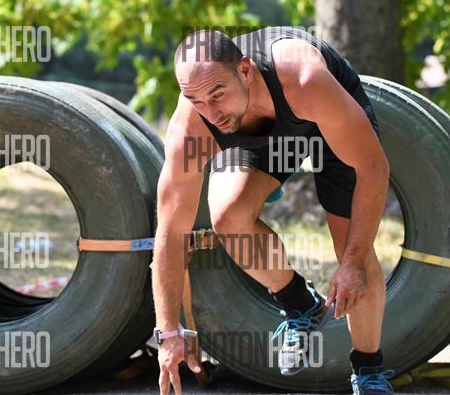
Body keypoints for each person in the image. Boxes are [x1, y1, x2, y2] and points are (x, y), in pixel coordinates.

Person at [152, 26, 395, 394]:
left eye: (217, 94)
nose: (211, 112)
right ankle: (300, 304)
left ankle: (368, 371)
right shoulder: (194, 126)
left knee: (351, 249)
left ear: (245, 70)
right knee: (228, 216)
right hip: (256, 132)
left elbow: (373, 168)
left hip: (323, 118)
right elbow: (170, 231)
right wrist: (169, 333)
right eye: (196, 100)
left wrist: (353, 262)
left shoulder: (304, 78)